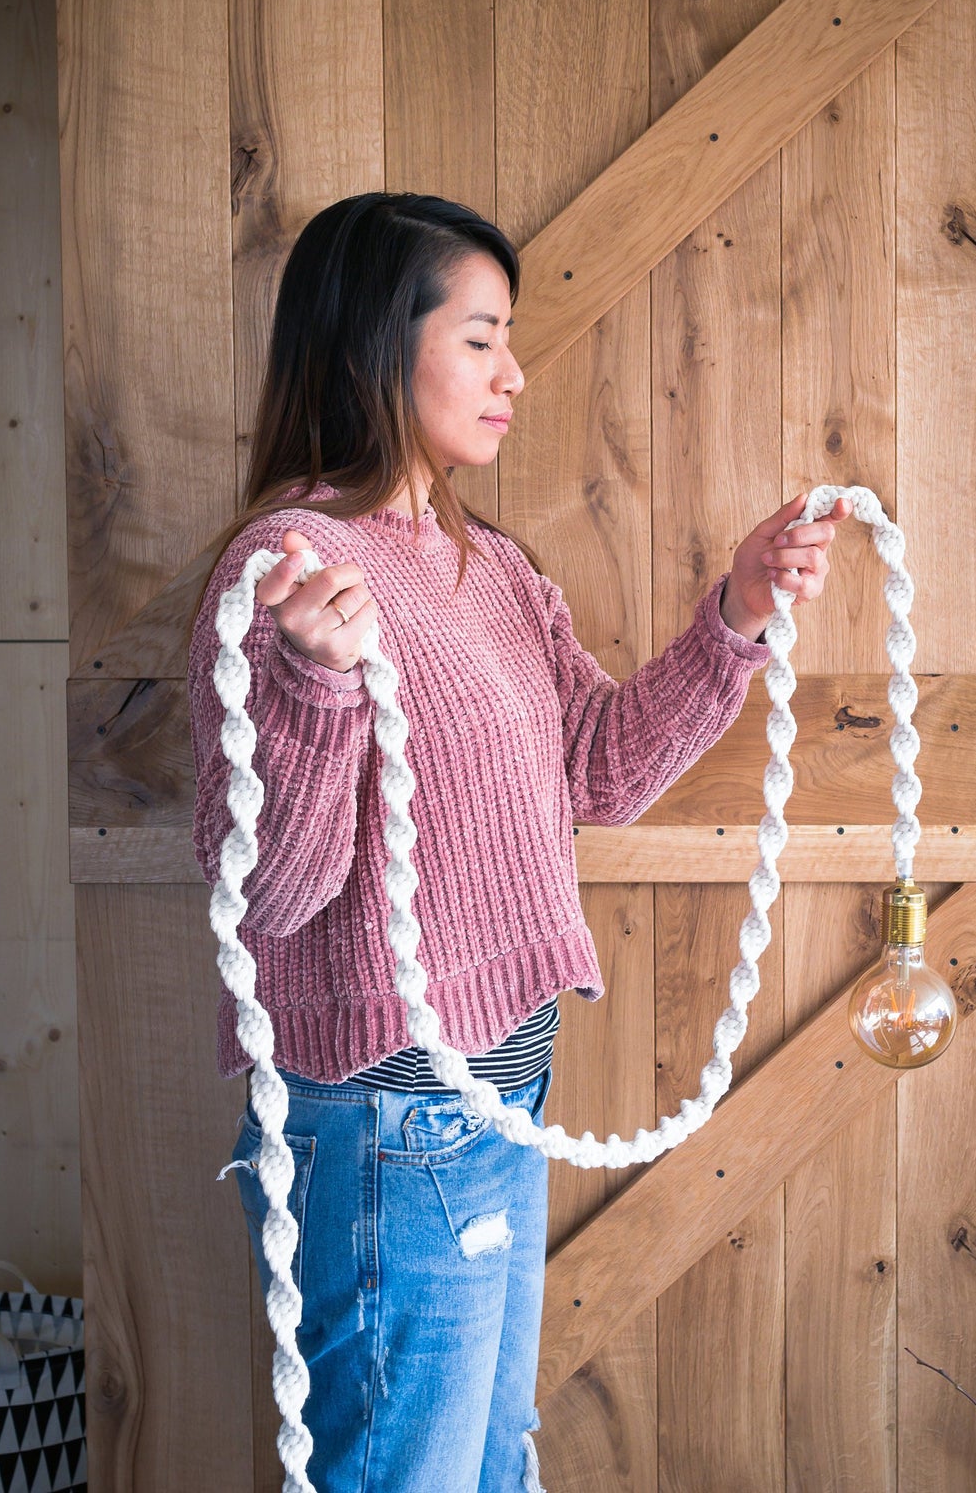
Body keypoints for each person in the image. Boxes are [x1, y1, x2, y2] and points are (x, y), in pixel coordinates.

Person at [185, 190, 851, 1492]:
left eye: (511, 340)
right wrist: (316, 693)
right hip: (394, 1123)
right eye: (482, 338)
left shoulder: (483, 564)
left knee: (487, 1469)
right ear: (379, 347)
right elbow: (264, 892)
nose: (517, 373)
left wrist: (740, 612)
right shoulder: (290, 567)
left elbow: (598, 771)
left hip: (496, 1102)